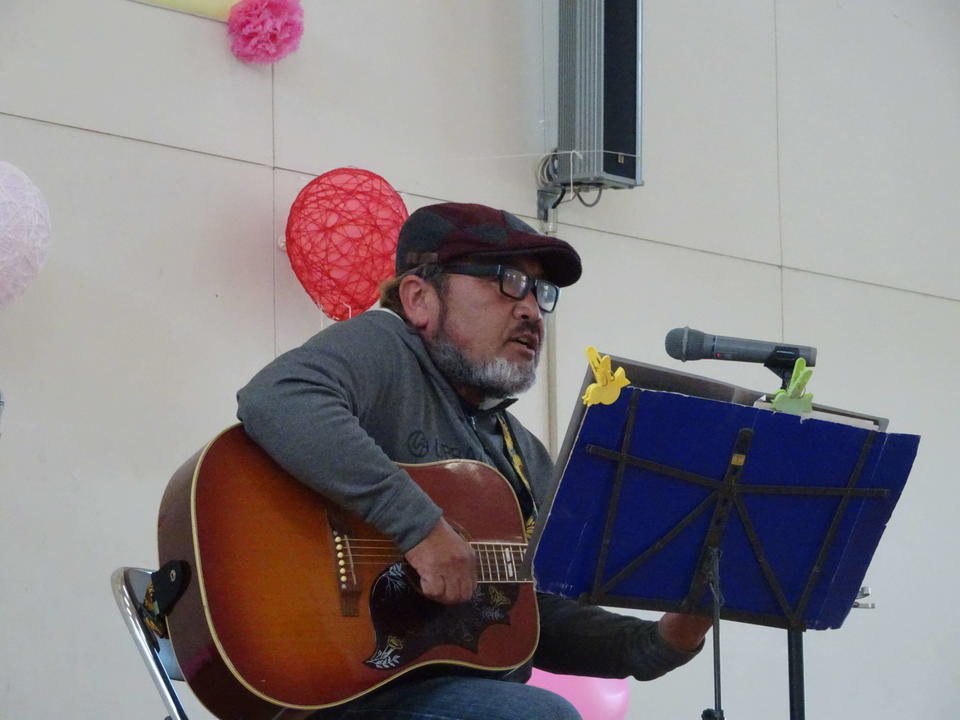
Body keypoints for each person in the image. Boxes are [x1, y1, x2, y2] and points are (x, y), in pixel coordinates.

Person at [237, 202, 712, 720]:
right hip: (333, 681)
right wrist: (420, 528)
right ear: (419, 298)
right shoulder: (387, 348)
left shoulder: (521, 454)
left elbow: (532, 612)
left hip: (437, 689)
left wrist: (662, 641)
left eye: (540, 291)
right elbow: (279, 397)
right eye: (507, 281)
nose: (531, 310)